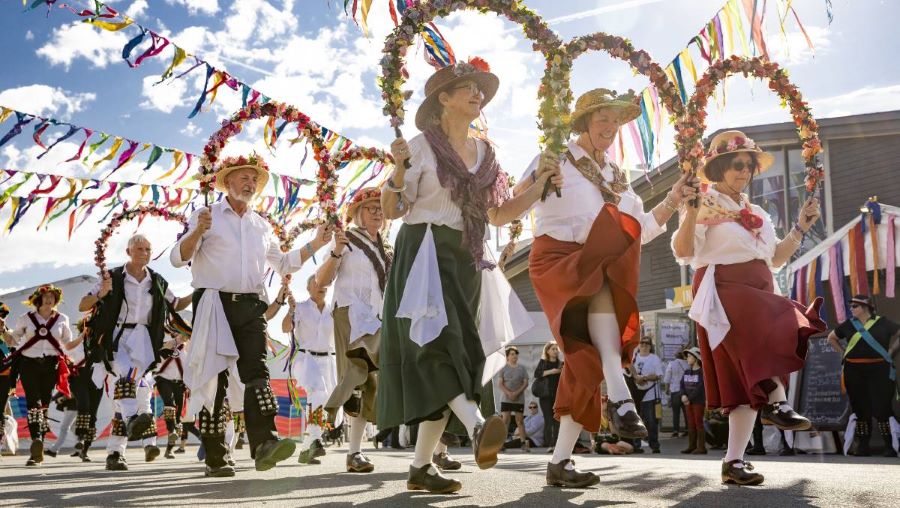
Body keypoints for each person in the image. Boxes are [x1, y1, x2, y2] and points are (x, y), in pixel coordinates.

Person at [380, 57, 558, 494]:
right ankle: (478, 426)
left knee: (461, 350)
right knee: (438, 346)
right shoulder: (420, 147)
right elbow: (392, 211)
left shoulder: (486, 154)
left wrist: (539, 185)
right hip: (423, 251)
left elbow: (498, 214)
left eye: (480, 88)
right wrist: (397, 171)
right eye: (468, 88)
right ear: (443, 99)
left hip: (467, 256)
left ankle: (421, 467)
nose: (478, 94)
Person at [519, 87, 699, 487]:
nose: (612, 127)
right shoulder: (556, 157)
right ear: (583, 121)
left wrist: (673, 198)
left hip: (597, 264)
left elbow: (642, 230)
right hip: (558, 261)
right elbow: (515, 201)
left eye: (617, 121)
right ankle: (620, 394)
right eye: (603, 118)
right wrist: (539, 177)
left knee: (584, 361)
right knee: (603, 276)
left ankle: (560, 462)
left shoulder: (617, 176)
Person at [671, 130, 825, 485]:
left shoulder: (757, 212)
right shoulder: (703, 201)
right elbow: (683, 251)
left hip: (758, 288)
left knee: (744, 385)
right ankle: (778, 400)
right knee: (782, 317)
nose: (744, 172)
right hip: (724, 289)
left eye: (749, 166)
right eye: (737, 165)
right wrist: (691, 212)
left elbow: (774, 259)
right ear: (721, 167)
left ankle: (734, 462)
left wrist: (801, 227)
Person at [170, 152, 333, 477]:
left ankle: (264, 444)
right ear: (227, 181)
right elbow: (178, 258)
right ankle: (216, 455)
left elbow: (285, 264)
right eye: (243, 177)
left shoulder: (261, 225)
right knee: (214, 377)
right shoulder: (206, 215)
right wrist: (196, 233)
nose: (250, 183)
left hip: (250, 306)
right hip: (214, 302)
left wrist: (316, 243)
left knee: (256, 371)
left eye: (254, 179)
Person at [79, 233, 191, 472]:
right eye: (140, 248)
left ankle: (115, 453)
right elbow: (83, 305)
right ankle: (136, 425)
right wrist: (102, 293)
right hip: (116, 338)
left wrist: (201, 291)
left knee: (133, 389)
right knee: (127, 379)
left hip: (145, 340)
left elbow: (176, 304)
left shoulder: (157, 281)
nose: (145, 253)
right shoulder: (112, 277)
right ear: (128, 251)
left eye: (148, 249)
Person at [318, 187, 389, 474]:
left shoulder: (387, 248)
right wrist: (335, 251)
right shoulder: (345, 241)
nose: (377, 212)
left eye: (380, 208)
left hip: (376, 314)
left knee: (366, 382)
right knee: (360, 371)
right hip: (349, 310)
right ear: (358, 213)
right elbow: (322, 280)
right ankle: (339, 419)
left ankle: (352, 449)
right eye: (370, 208)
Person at [0, 284, 73, 466]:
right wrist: (2, 330)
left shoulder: (62, 319)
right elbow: (13, 340)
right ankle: (35, 444)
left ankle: (38, 442)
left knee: (44, 405)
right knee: (34, 403)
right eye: (46, 296)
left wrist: (85, 340)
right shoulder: (25, 318)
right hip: (28, 365)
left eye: (52, 296)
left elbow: (68, 344)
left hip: (51, 365)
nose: (49, 299)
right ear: (38, 300)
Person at [827, 295, 899, 457]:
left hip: (880, 369)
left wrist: (892, 352)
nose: (851, 309)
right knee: (860, 409)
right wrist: (844, 354)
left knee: (882, 408)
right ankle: (863, 446)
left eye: (854, 306)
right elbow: (831, 338)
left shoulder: (883, 322)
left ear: (866, 307)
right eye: (850, 306)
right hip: (854, 370)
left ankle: (889, 446)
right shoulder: (848, 324)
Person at [284, 275, 338, 465]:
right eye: (315, 283)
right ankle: (315, 439)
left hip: (328, 360)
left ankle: (307, 447)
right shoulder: (300, 307)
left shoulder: (334, 311)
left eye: (324, 282)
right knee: (318, 391)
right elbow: (284, 328)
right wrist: (290, 311)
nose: (321, 285)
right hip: (305, 358)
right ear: (308, 288)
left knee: (326, 401)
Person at [155, 329, 189, 459]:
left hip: (179, 383)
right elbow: (159, 352)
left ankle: (169, 449)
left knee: (178, 417)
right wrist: (171, 343)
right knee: (170, 405)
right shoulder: (167, 342)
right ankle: (172, 430)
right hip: (164, 379)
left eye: (186, 335)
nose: (185, 337)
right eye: (183, 334)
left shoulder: (186, 349)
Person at [631, 337, 663, 453]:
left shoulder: (654, 359)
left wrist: (644, 378)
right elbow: (628, 371)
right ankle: (636, 445)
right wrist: (636, 378)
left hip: (650, 394)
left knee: (651, 421)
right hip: (635, 393)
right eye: (642, 343)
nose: (644, 345)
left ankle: (654, 445)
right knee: (635, 420)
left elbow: (658, 375)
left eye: (646, 343)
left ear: (650, 346)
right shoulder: (634, 358)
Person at [499, 346, 530, 452]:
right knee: (505, 420)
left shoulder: (522, 368)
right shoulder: (503, 368)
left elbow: (526, 383)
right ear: (507, 356)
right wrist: (509, 393)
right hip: (506, 399)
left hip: (519, 398)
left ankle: (523, 443)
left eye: (516, 354)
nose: (514, 356)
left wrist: (516, 393)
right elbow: (500, 384)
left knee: (520, 421)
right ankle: (501, 443)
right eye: (512, 354)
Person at [533, 341, 562, 452]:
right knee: (548, 419)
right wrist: (552, 371)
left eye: (556, 349)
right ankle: (549, 444)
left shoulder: (560, 363)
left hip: (557, 396)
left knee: (557, 420)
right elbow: (537, 374)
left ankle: (556, 444)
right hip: (545, 396)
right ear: (548, 351)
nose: (555, 351)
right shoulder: (543, 362)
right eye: (553, 349)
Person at [680, 347, 706, 454]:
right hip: (687, 402)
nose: (687, 358)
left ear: (696, 358)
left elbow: (700, 388)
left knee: (698, 423)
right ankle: (692, 446)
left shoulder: (701, 372)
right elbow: (682, 385)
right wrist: (683, 395)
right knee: (690, 423)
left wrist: (688, 398)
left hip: (698, 402)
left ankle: (701, 447)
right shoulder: (686, 372)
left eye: (690, 356)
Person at [664, 348, 689, 438]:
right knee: (686, 412)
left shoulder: (671, 364)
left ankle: (675, 431)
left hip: (675, 390)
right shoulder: (687, 364)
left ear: (675, 355)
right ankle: (687, 430)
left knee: (676, 412)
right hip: (685, 391)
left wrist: (667, 389)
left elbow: (667, 378)